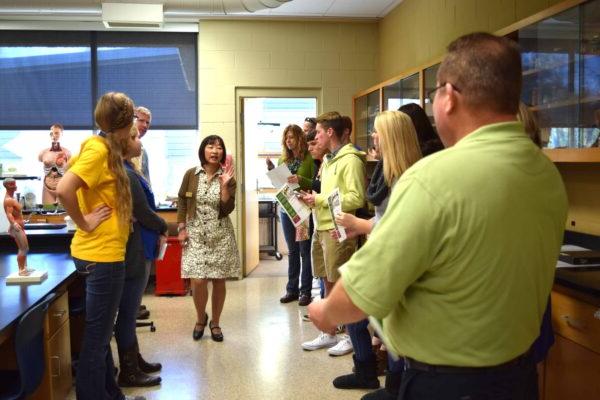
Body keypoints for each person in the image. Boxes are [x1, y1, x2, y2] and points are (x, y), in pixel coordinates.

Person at [308, 32, 568, 400]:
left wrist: (325, 310)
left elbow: (361, 293)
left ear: (449, 98)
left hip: (447, 386)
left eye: (435, 96)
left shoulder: (434, 178)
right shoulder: (546, 176)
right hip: (519, 380)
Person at [57, 92, 144, 400]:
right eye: (133, 119)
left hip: (102, 253)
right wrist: (84, 221)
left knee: (101, 335)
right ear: (124, 122)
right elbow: (64, 189)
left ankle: (111, 393)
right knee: (96, 338)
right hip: (102, 255)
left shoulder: (105, 150)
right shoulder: (97, 150)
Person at [331, 110, 422, 391]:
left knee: (388, 327)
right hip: (381, 256)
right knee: (369, 322)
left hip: (396, 262)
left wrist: (360, 223)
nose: (372, 136)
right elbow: (384, 218)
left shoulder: (408, 177)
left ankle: (392, 388)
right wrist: (360, 227)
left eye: (377, 131)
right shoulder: (387, 170)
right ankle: (368, 374)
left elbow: (401, 227)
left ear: (393, 137)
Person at [299, 111, 366, 353]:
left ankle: (350, 336)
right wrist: (313, 200)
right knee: (326, 280)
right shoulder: (328, 160)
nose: (314, 137)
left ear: (329, 132)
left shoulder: (351, 159)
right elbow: (325, 197)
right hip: (322, 226)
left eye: (317, 132)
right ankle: (329, 331)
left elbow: (356, 197)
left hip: (339, 229)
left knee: (341, 283)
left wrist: (320, 200)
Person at [114, 126, 167, 388]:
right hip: (134, 248)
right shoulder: (126, 173)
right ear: (123, 143)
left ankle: (135, 359)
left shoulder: (130, 170)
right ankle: (129, 371)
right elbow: (143, 211)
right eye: (134, 137)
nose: (139, 141)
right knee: (128, 311)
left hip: (141, 244)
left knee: (131, 309)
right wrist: (164, 225)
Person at [177, 134, 238, 342]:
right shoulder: (191, 175)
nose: (215, 151)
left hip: (220, 234)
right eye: (211, 146)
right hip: (195, 234)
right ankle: (200, 317)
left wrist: (225, 187)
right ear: (203, 150)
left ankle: (216, 322)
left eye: (219, 147)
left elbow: (227, 208)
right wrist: (181, 228)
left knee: (219, 280)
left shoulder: (228, 177)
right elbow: (182, 201)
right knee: (198, 280)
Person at [266, 124, 315, 306]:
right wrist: (272, 170)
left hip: (301, 210)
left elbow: (314, 183)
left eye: (292, 137)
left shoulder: (308, 159)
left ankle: (305, 291)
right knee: (292, 251)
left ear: (300, 139)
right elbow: (280, 184)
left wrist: (302, 183)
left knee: (304, 251)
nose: (288, 140)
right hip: (287, 208)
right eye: (286, 137)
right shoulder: (282, 160)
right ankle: (291, 290)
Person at [3, 178, 32, 276]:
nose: (15, 186)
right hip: (16, 228)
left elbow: (16, 213)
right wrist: (14, 224)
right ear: (7, 186)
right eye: (12, 184)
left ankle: (25, 267)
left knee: (24, 248)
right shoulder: (8, 200)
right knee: (24, 248)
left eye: (15, 184)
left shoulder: (12, 198)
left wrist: (21, 220)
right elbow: (9, 214)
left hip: (19, 226)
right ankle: (21, 269)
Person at [38, 123, 71, 205]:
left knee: (62, 214)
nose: (54, 136)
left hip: (62, 187)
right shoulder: (43, 153)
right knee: (48, 213)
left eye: (57, 133)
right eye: (51, 133)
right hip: (47, 187)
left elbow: (71, 171)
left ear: (62, 134)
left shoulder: (67, 153)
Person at [132, 106, 152, 184]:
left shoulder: (143, 152)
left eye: (147, 122)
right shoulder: (120, 147)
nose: (145, 125)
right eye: (141, 120)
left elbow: (147, 180)